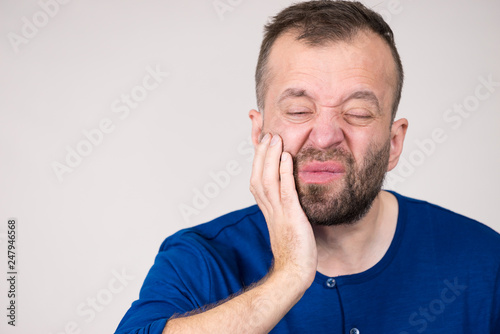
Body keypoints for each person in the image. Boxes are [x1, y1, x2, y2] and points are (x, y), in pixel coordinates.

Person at [115, 1, 500, 333]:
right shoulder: (200, 260)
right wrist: (289, 277)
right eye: (299, 110)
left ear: (394, 143)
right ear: (259, 131)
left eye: (358, 112)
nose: (326, 136)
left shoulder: (485, 261)